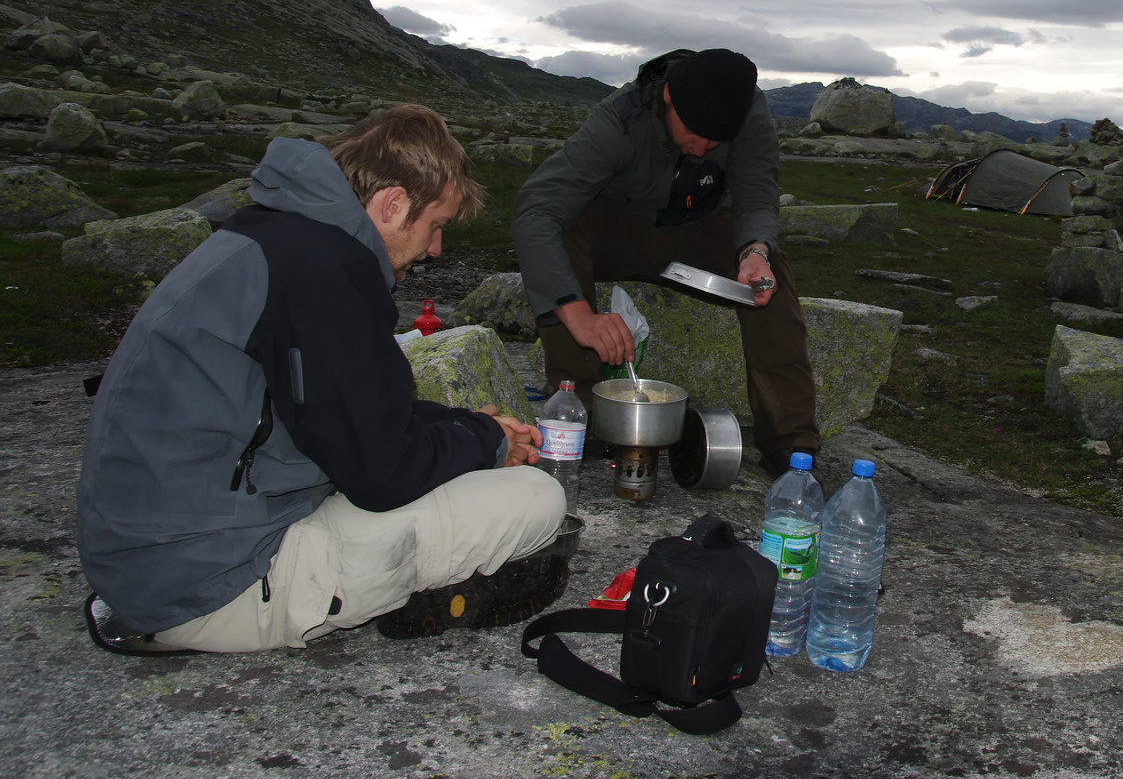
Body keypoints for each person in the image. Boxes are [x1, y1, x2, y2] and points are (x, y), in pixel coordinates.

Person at [77, 105, 567, 654]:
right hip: (210, 584)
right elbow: (383, 470)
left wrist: (471, 426)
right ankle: (407, 593)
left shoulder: (275, 237)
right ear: (393, 203)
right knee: (535, 498)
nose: (436, 250)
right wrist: (488, 442)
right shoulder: (326, 272)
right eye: (436, 227)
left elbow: (338, 412)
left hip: (150, 564)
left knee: (461, 463)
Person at [512, 48, 818, 478]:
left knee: (772, 276)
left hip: (696, 232)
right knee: (563, 227)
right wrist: (577, 311)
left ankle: (791, 445)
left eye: (715, 141)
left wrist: (754, 252)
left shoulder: (745, 109)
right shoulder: (619, 119)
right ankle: (582, 412)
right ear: (669, 96)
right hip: (617, 232)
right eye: (693, 132)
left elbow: (756, 191)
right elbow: (537, 208)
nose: (701, 148)